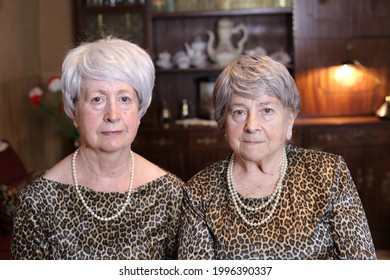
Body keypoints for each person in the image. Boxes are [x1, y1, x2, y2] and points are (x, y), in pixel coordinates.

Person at [178, 55, 376, 259]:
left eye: (266, 110)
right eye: (239, 111)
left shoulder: (328, 173)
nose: (252, 125)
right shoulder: (200, 191)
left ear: (289, 120)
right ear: (224, 123)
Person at [12, 37, 184, 260]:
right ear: (74, 112)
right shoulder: (37, 202)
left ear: (139, 111)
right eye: (97, 99)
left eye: (124, 99)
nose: (113, 115)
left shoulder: (171, 195)